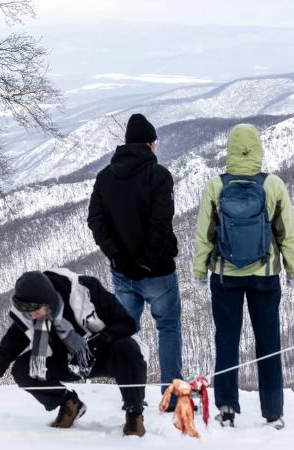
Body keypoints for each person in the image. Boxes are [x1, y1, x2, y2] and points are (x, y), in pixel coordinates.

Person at [0, 269, 148, 437]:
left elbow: (127, 324)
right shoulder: (28, 318)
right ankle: (69, 403)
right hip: (65, 363)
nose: (32, 316)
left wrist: (96, 343)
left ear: (50, 301)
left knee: (127, 347)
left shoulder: (85, 289)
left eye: (36, 310)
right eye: (28, 311)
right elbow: (0, 358)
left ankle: (134, 414)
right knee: (22, 369)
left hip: (105, 356)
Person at [193, 124, 294, 430]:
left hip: (226, 277)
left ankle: (226, 408)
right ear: (258, 149)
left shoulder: (216, 185)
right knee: (269, 343)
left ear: (229, 150)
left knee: (226, 340)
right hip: (265, 277)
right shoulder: (273, 185)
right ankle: (273, 411)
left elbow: (204, 234)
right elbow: (287, 234)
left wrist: (200, 270)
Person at [87, 113, 183, 410]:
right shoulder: (159, 176)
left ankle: (130, 393)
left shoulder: (105, 177)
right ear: (150, 144)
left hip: (122, 273)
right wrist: (146, 262)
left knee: (126, 331)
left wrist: (118, 256)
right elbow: (160, 223)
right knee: (168, 328)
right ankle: (171, 395)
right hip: (159, 272)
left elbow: (96, 222)